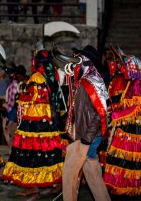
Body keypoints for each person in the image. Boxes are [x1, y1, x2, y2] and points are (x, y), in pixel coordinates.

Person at [2, 50, 65, 196]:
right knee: (48, 153)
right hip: (47, 121)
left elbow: (30, 98)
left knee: (31, 153)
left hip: (33, 122)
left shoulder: (36, 77)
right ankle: (56, 181)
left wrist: (22, 91)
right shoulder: (50, 77)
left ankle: (33, 186)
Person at [62, 45, 111, 201]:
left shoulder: (93, 81)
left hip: (89, 136)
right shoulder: (83, 80)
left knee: (69, 170)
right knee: (92, 172)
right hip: (86, 134)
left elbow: (101, 112)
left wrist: (88, 137)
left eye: (80, 59)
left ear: (88, 62)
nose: (77, 62)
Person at [103, 47, 141, 196]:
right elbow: (125, 104)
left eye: (124, 67)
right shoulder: (131, 83)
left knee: (128, 159)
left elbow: (136, 109)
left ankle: (129, 187)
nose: (121, 69)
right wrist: (113, 110)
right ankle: (119, 186)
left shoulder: (137, 84)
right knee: (119, 158)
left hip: (134, 128)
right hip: (126, 126)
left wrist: (117, 116)